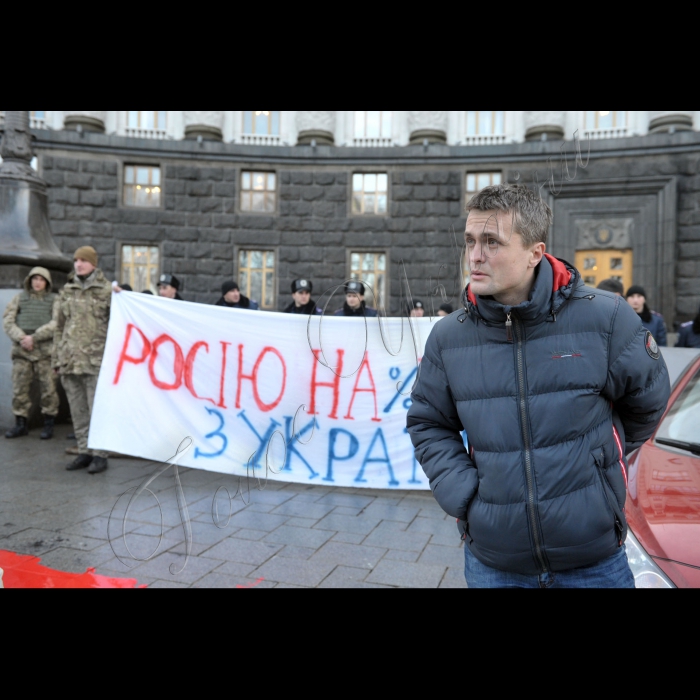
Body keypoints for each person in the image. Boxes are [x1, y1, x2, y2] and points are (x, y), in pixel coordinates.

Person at [406, 184, 670, 588]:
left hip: (594, 560)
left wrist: (598, 471)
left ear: (535, 252)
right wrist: (466, 496)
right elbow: (428, 423)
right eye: (471, 241)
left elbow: (648, 403)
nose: (475, 256)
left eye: (492, 242)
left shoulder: (607, 318)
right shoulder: (448, 337)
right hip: (495, 562)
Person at [53, 246, 113, 474]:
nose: (78, 264)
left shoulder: (107, 291)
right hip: (70, 361)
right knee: (77, 411)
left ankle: (100, 455)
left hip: (96, 362)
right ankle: (84, 451)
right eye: (76, 260)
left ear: (93, 264)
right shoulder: (67, 290)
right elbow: (59, 327)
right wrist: (57, 359)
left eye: (83, 261)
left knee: (97, 410)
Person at [3, 267, 60, 440]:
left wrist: (34, 338)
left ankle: (49, 424)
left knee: (49, 390)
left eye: (41, 279)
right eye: (34, 278)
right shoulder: (19, 299)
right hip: (22, 352)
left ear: (47, 282)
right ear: (29, 280)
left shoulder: (54, 300)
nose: (37, 282)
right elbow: (8, 321)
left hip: (44, 353)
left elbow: (56, 323)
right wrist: (22, 338)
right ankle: (20, 424)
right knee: (20, 389)